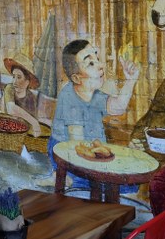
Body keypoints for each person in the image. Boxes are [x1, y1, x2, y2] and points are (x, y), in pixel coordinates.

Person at [47, 39, 138, 187]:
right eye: (90, 63)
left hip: (92, 152)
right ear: (77, 78)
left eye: (97, 58)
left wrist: (130, 80)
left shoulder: (94, 94)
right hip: (68, 154)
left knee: (127, 182)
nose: (100, 66)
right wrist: (107, 159)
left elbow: (119, 107)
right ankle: (62, 178)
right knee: (109, 184)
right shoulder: (69, 97)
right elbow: (78, 145)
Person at [2, 53, 43, 137]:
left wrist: (33, 123)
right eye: (13, 77)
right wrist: (34, 122)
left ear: (27, 82)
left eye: (19, 77)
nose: (14, 82)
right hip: (6, 130)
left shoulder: (31, 97)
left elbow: (32, 119)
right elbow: (11, 109)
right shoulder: (9, 88)